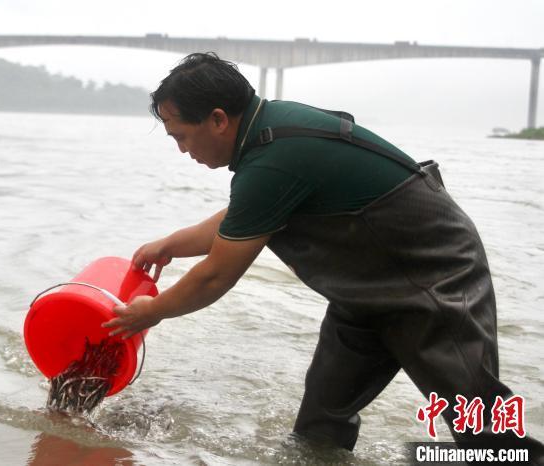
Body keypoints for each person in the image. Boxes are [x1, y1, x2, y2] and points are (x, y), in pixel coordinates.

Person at [102, 52, 543, 460]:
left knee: (488, 434)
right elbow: (245, 217)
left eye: (182, 136)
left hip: (433, 281)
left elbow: (216, 276)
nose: (182, 150)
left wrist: (152, 312)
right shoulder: (268, 140)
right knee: (318, 430)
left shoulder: (273, 158)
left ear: (217, 119)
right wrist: (171, 245)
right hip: (368, 289)